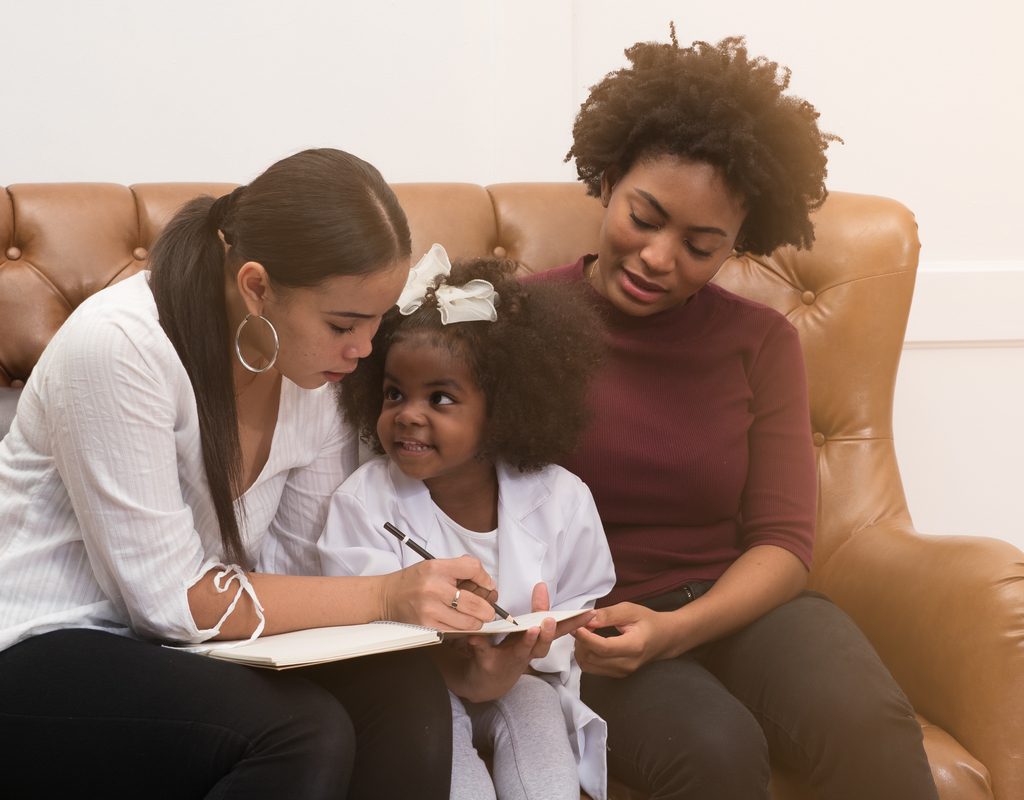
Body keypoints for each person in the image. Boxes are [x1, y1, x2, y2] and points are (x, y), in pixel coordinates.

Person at [0, 148, 500, 799]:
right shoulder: (120, 347)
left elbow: (300, 571)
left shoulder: (314, 374)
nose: (364, 349)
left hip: (183, 652)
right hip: (41, 643)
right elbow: (169, 602)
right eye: (344, 323)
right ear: (257, 286)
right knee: (301, 731)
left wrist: (441, 628)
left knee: (403, 691)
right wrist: (386, 595)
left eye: (378, 322)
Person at [529, 31, 940, 800]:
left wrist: (682, 629)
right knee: (714, 750)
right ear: (609, 179)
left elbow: (785, 542)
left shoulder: (760, 342)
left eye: (700, 245)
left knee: (871, 723)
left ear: (736, 247)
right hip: (597, 629)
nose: (659, 257)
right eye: (644, 217)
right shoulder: (521, 322)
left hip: (742, 606)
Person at [318, 246, 616, 800]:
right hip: (414, 691)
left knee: (537, 729)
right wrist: (453, 666)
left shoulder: (562, 499)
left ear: (503, 410)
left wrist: (523, 655)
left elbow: (584, 603)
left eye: (440, 397)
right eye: (393, 393)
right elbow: (363, 637)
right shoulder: (363, 504)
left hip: (525, 682)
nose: (408, 413)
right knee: (439, 752)